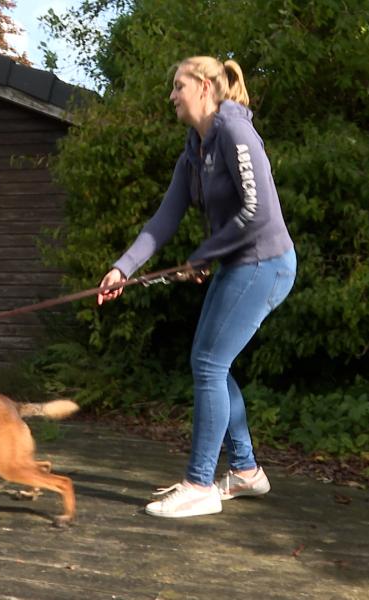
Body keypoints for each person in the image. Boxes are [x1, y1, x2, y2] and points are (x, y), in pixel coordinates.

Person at [97, 56, 296, 518]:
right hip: (240, 264)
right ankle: (245, 472)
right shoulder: (196, 148)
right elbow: (164, 218)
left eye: (178, 86)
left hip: (266, 263)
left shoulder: (235, 133)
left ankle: (200, 484)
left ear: (205, 86)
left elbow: (259, 213)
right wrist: (122, 269)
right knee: (211, 363)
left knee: (208, 363)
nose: (171, 95)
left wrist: (205, 254)